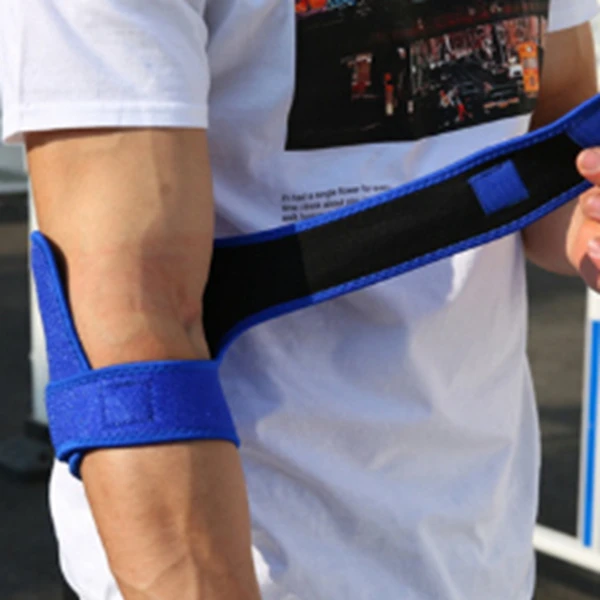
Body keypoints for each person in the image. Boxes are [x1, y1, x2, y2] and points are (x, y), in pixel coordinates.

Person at [1, 2, 600, 599]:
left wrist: (586, 221)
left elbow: (552, 141)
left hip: (477, 541)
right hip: (247, 565)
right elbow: (127, 345)